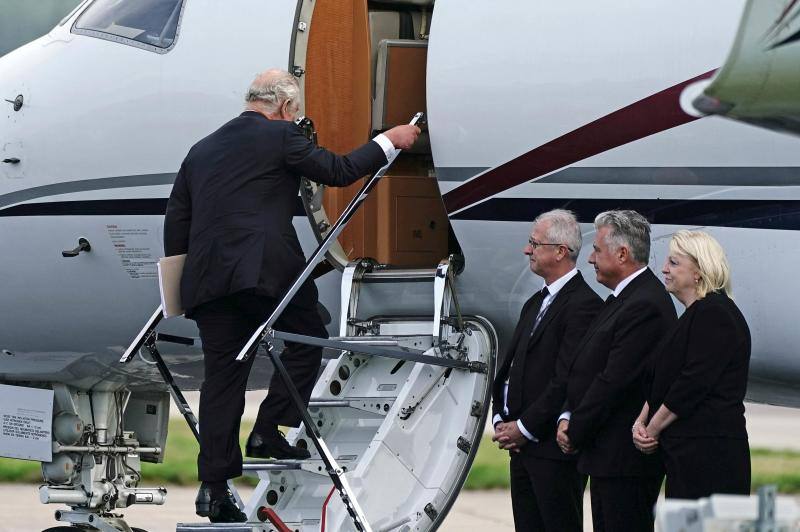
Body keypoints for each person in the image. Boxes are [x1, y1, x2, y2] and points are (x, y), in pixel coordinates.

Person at [163, 68, 420, 523]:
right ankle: (267, 429)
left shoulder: (199, 150)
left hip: (208, 284)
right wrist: (389, 140)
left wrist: (184, 286)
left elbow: (176, 223)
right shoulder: (280, 138)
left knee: (222, 380)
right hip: (263, 272)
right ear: (285, 108)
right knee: (305, 340)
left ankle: (214, 487)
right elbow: (338, 171)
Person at [556, 210, 676, 532]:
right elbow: (586, 368)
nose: (591, 258)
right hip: (608, 456)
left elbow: (614, 380)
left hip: (625, 461)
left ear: (622, 254)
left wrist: (575, 428)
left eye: (597, 250)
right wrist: (568, 414)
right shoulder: (623, 299)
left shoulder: (645, 305)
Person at [492, 209, 602, 531]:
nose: (527, 250)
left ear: (560, 251)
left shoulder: (584, 305)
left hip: (552, 452)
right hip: (522, 451)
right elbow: (511, 367)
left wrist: (524, 427)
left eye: (534, 243)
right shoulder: (534, 303)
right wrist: (501, 416)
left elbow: (566, 379)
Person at [633, 230, 751, 499]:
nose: (664, 269)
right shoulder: (691, 316)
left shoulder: (715, 313)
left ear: (699, 271)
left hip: (710, 458)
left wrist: (651, 430)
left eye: (674, 263)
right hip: (687, 455)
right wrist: (640, 423)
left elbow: (692, 383)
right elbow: (662, 381)